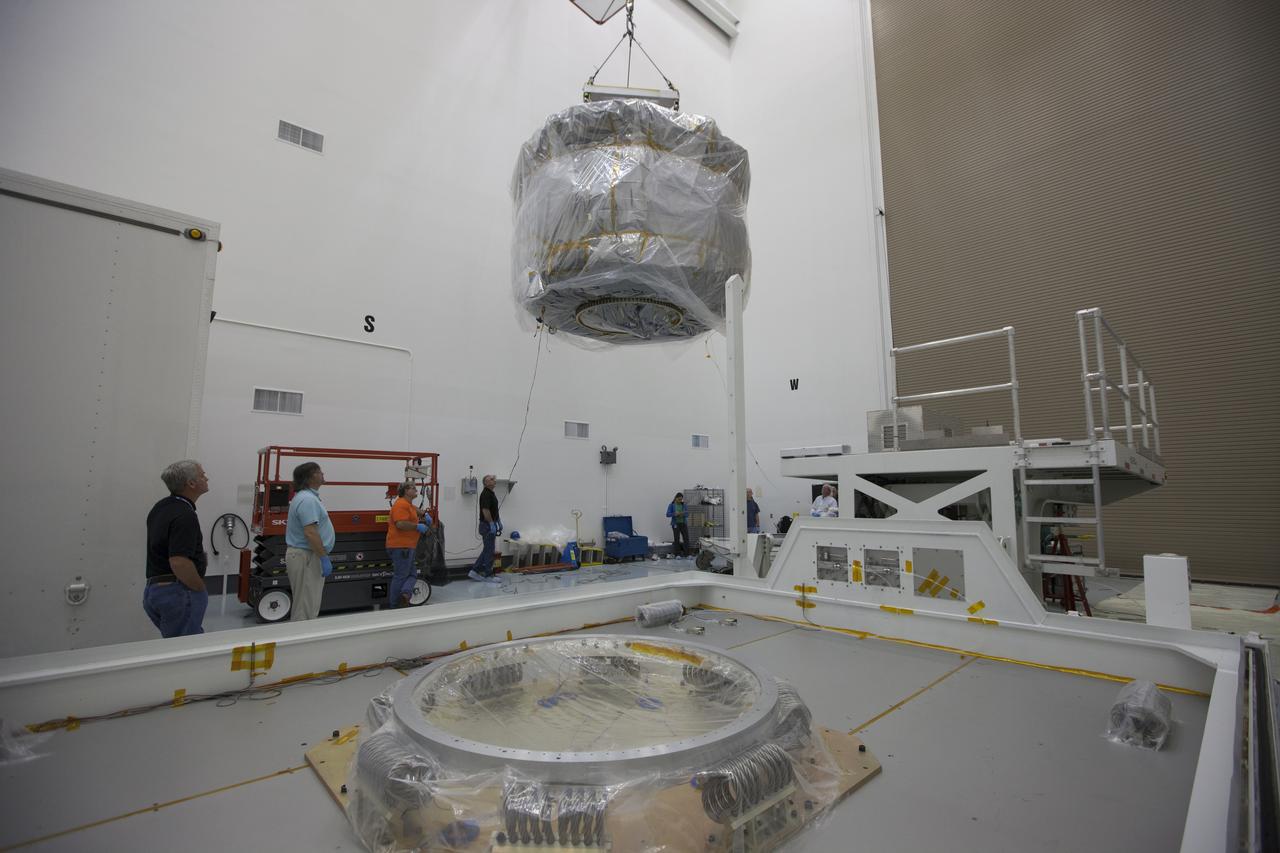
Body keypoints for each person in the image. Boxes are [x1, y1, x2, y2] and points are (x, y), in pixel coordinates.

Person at [144, 460, 211, 637]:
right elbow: (179, 561)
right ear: (191, 483)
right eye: (202, 475)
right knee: (186, 650)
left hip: (154, 591)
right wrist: (199, 588)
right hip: (178, 592)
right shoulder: (185, 515)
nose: (207, 478)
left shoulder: (161, 508)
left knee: (175, 644)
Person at [284, 462, 335, 620]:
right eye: (319, 471)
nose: (323, 474)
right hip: (307, 556)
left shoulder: (308, 498)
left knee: (307, 604)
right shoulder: (307, 500)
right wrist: (323, 557)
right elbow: (310, 532)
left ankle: (303, 639)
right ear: (311, 477)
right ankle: (301, 641)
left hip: (307, 555)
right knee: (305, 608)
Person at [386, 482, 432, 608]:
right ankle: (395, 606)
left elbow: (414, 509)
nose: (416, 489)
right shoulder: (401, 504)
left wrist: (424, 514)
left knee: (412, 574)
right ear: (405, 491)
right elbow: (400, 524)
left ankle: (405, 595)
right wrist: (418, 526)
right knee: (400, 576)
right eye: (412, 488)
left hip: (407, 546)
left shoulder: (408, 504)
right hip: (401, 547)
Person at [469, 474, 502, 583]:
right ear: (486, 483)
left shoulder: (491, 494)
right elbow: (486, 511)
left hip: (489, 524)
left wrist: (498, 521)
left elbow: (494, 510)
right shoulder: (486, 494)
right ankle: (488, 575)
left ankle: (475, 571)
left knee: (488, 549)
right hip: (486, 525)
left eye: (494, 479)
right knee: (489, 551)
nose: (494, 480)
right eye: (491, 479)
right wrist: (492, 524)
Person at [667, 492, 690, 556]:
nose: (680, 500)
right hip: (675, 524)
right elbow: (667, 514)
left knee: (686, 538)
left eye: (681, 499)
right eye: (679, 499)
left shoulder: (684, 505)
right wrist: (674, 514)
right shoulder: (671, 505)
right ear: (676, 498)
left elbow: (687, 514)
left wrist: (683, 514)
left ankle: (687, 554)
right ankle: (677, 554)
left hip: (683, 523)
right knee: (677, 539)